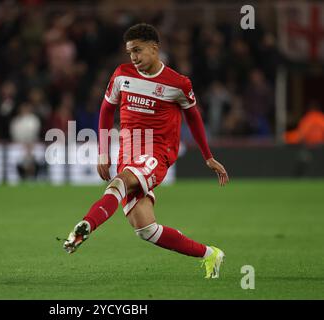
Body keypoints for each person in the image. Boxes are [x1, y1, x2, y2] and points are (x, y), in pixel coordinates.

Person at [62, 23, 229, 279]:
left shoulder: (178, 84)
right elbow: (107, 110)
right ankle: (211, 255)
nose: (134, 58)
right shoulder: (122, 74)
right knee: (145, 229)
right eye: (130, 52)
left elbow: (194, 118)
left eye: (138, 50)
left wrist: (208, 156)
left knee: (120, 182)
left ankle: (86, 225)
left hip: (157, 153)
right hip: (127, 153)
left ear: (155, 48)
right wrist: (103, 152)